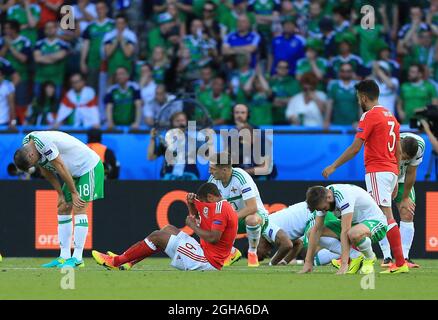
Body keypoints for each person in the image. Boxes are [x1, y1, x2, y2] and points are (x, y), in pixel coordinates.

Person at [322, 79, 409, 274]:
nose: (357, 102)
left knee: (383, 217)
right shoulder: (391, 116)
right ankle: (356, 256)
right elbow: (398, 148)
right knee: (373, 214)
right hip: (390, 170)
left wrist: (333, 165)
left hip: (378, 170)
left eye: (357, 99)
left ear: (363, 97)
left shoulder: (369, 116)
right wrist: (396, 174)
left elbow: (355, 148)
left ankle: (400, 262)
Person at [91, 183, 238, 271]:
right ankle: (128, 260)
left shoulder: (221, 209)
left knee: (157, 236)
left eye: (204, 201)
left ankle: (115, 262)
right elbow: (200, 220)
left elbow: (213, 238)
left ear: (211, 197)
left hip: (207, 262)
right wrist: (191, 205)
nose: (204, 205)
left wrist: (192, 225)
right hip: (204, 252)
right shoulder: (218, 206)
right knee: (167, 229)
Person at [13, 131, 105, 268]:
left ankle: (78, 258)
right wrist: (60, 194)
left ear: (30, 155)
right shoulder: (27, 144)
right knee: (63, 209)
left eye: (31, 164)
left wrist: (73, 192)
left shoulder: (44, 143)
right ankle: (64, 256)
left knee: (79, 207)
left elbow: (60, 166)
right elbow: (46, 170)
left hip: (88, 167)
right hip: (73, 173)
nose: (34, 165)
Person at [301, 184, 388, 275]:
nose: (325, 211)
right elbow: (316, 230)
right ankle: (355, 255)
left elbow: (345, 231)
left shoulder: (344, 196)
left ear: (329, 198)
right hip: (354, 224)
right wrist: (308, 263)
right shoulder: (323, 196)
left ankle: (369, 257)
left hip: (376, 222)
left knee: (353, 233)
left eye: (325, 208)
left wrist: (344, 264)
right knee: (311, 232)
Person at [208, 152, 269, 267]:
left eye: (213, 169)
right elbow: (209, 207)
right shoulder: (212, 180)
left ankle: (252, 253)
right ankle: (231, 252)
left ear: (225, 170)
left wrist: (228, 218)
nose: (209, 172)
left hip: (257, 216)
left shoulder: (241, 177)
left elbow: (252, 208)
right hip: (233, 220)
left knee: (251, 220)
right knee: (206, 220)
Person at [379, 132, 425, 268]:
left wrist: (405, 197)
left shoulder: (420, 146)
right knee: (382, 216)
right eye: (403, 157)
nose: (404, 160)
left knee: (407, 212)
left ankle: (405, 257)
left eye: (407, 159)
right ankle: (387, 256)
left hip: (402, 179)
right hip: (384, 176)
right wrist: (391, 185)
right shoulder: (388, 143)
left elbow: (411, 172)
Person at [147, 112, 200, 180]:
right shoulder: (165, 141)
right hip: (169, 177)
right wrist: (152, 139)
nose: (180, 123)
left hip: (189, 177)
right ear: (172, 123)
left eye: (183, 120)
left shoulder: (193, 141)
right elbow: (151, 157)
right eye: (177, 121)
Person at [0, 20, 32, 124]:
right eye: (4, 29)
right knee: (6, 104)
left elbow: (23, 59)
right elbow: (1, 57)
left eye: (7, 28)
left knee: (20, 104)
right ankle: (9, 123)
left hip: (21, 78)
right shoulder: (2, 41)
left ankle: (21, 125)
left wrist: (10, 46)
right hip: (4, 81)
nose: (5, 31)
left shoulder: (24, 41)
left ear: (14, 29)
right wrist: (5, 45)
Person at [80, 0, 114, 91]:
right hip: (93, 61)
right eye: (98, 9)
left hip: (109, 61)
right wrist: (83, 61)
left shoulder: (113, 24)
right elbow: (85, 44)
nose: (100, 10)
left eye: (102, 8)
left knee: (107, 88)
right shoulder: (90, 26)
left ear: (107, 10)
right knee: (91, 87)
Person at [34, 21, 70, 102]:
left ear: (56, 29)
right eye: (47, 28)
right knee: (38, 101)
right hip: (40, 78)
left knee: (56, 102)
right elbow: (37, 59)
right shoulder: (39, 44)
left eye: (52, 27)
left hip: (57, 78)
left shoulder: (63, 44)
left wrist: (43, 57)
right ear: (44, 30)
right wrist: (53, 57)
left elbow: (61, 56)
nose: (49, 30)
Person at [102, 14, 137, 82]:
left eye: (122, 23)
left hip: (126, 69)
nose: (119, 25)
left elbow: (128, 54)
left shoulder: (131, 35)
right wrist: (116, 41)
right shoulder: (108, 35)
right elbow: (108, 53)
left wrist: (121, 41)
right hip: (112, 69)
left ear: (125, 24)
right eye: (118, 23)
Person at [326, 62, 359, 127]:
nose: (345, 73)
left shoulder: (358, 86)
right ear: (339, 72)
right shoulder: (333, 86)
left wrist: (360, 122)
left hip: (353, 126)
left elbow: (361, 106)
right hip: (336, 125)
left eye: (348, 71)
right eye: (343, 71)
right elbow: (329, 104)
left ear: (352, 72)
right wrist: (326, 120)